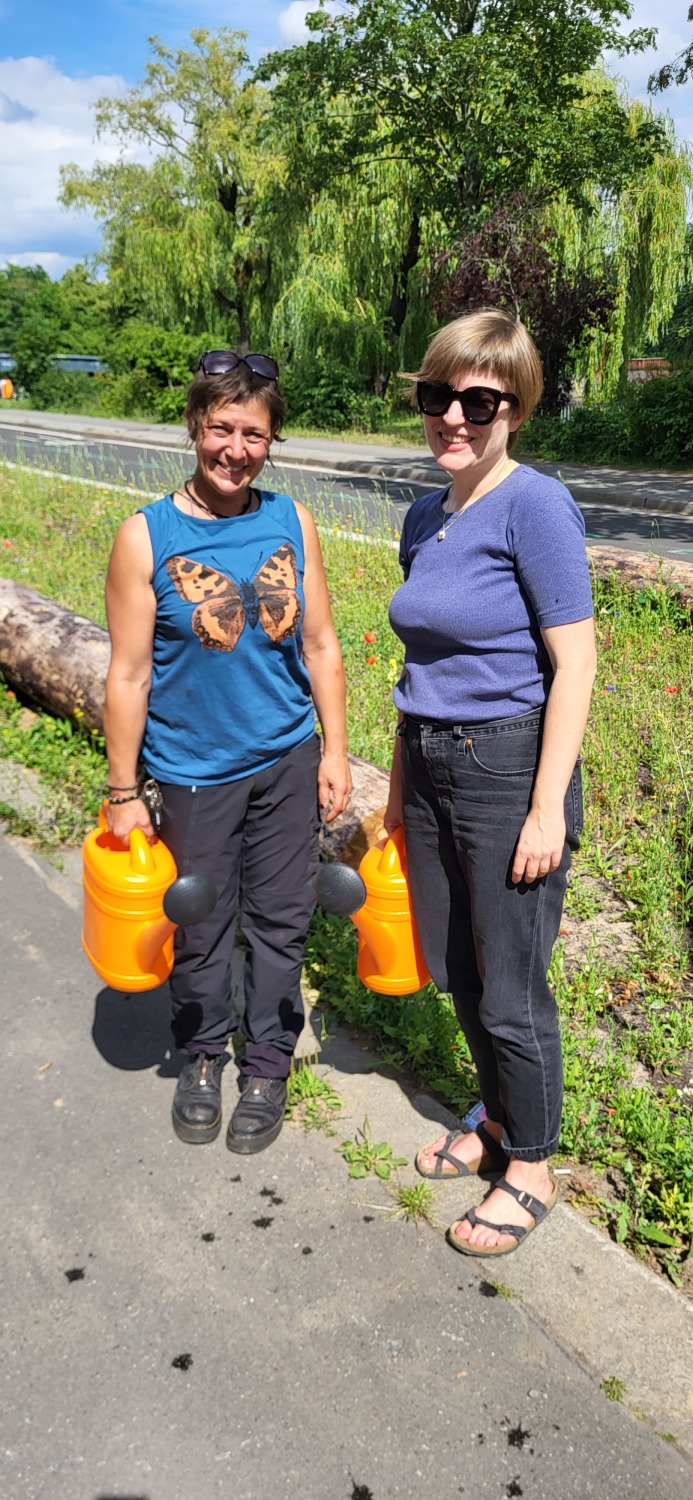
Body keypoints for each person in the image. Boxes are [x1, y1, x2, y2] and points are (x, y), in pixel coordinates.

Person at [384, 309, 596, 1257]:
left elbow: (576, 662)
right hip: (429, 761)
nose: (453, 418)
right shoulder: (425, 512)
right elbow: (420, 665)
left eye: (478, 400)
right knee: (453, 966)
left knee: (511, 986)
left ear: (515, 408)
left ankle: (533, 1164)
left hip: (507, 767)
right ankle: (499, 1118)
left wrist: (546, 803)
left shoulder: (534, 505)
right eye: (438, 396)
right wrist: (395, 790)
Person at [103, 350, 351, 1153]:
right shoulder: (146, 536)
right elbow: (130, 672)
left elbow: (319, 646)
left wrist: (335, 752)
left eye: (253, 433)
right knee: (201, 927)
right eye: (220, 428)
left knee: (281, 925)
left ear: (271, 441)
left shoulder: (291, 521)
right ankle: (204, 1055)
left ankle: (268, 1066)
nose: (234, 448)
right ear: (194, 427)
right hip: (191, 774)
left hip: (286, 759)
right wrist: (121, 790)